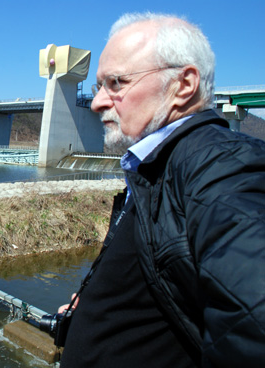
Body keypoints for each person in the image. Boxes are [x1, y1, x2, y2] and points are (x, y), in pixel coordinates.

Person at [58, 12, 265, 367]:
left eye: (117, 83)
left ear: (183, 85)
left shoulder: (221, 164)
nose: (96, 103)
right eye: (99, 86)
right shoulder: (154, 168)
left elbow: (252, 321)